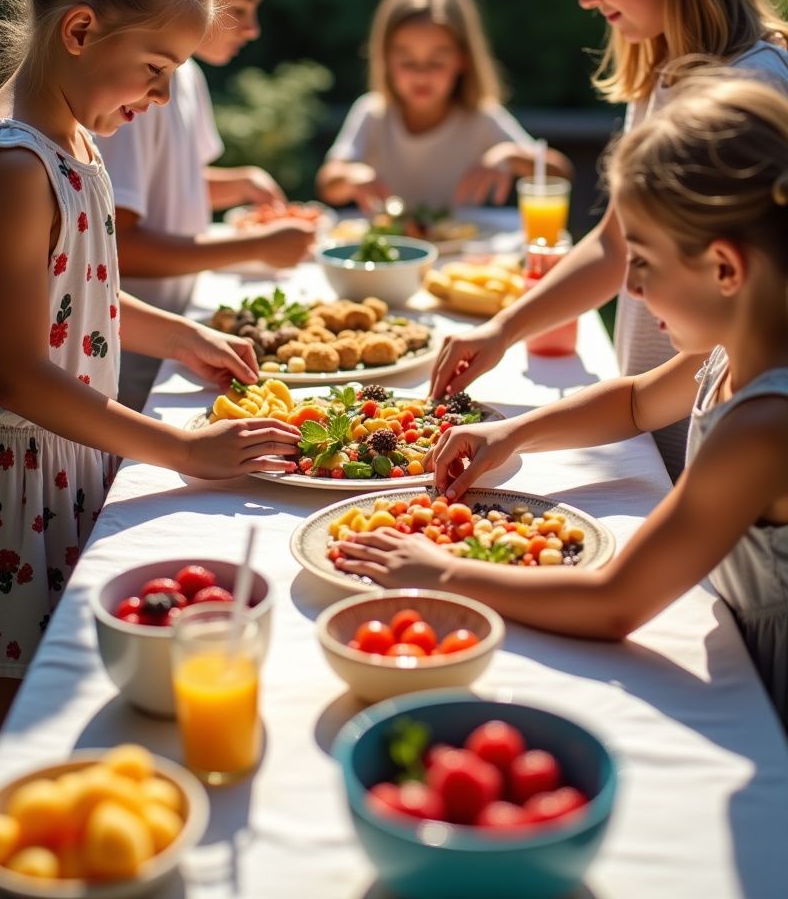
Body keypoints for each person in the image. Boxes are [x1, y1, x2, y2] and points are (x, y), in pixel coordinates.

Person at [0, 0, 299, 756]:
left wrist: (182, 334)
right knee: (27, 730)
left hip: (69, 452)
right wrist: (184, 448)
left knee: (83, 699)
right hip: (11, 486)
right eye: (155, 68)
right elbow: (22, 375)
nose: (161, 95)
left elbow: (84, 297)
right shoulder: (10, 164)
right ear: (79, 33)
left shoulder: (71, 136)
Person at [336, 75, 788, 725]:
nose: (628, 289)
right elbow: (633, 403)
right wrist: (512, 434)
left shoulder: (766, 422)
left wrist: (441, 574)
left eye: (644, 264)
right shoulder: (735, 343)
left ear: (725, 268)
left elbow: (615, 601)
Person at [431, 0, 788, 479]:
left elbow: (743, 333)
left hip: (716, 450)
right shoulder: (663, 74)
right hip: (656, 422)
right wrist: (502, 329)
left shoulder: (748, 96)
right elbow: (615, 243)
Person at [97, 0, 315, 409]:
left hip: (177, 339)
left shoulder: (182, 76)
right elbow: (120, 243)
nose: (252, 27)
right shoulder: (134, 94)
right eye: (240, 5)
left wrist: (234, 186)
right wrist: (258, 246)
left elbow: (168, 189)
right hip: (134, 370)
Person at [316, 0, 570, 214]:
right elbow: (328, 184)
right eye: (407, 61)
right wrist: (352, 175)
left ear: (463, 59)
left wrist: (510, 156)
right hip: (391, 251)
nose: (421, 75)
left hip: (464, 254)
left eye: (436, 62)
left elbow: (560, 172)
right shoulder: (373, 113)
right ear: (385, 58)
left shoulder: (480, 118)